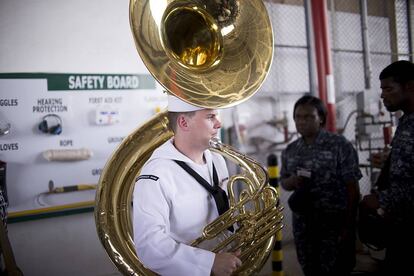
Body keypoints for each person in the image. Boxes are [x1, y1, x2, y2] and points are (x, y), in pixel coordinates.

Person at [133, 94, 241, 276]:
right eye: (210, 117)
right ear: (183, 123)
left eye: (217, 116)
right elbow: (150, 247)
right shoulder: (156, 174)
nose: (219, 124)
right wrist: (209, 263)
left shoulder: (217, 160)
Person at [280, 95, 362, 276]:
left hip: (334, 224)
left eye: (308, 117)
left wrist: (349, 226)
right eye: (298, 117)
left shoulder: (339, 145)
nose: (302, 122)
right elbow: (284, 182)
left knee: (338, 269)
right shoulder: (291, 150)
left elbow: (352, 189)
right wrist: (291, 181)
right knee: (310, 269)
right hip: (304, 227)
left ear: (321, 118)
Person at [361, 60, 414, 275]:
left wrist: (381, 201)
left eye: (388, 88)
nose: (383, 95)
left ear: (410, 86)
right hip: (401, 226)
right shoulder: (406, 122)